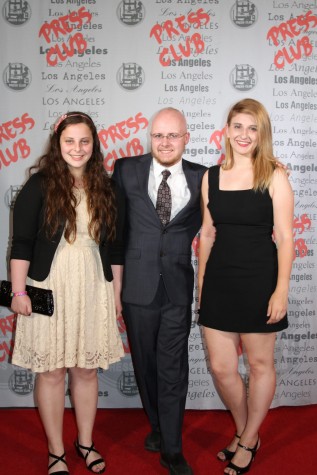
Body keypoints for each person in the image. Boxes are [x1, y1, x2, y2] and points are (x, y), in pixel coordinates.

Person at [10, 112, 125, 475]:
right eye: (70, 141)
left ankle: (85, 442)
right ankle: (56, 450)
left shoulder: (107, 187)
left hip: (94, 285)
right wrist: (17, 291)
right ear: (58, 144)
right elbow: (22, 243)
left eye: (84, 141)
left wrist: (116, 295)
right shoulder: (39, 185)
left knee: (86, 370)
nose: (77, 148)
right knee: (52, 373)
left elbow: (116, 248)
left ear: (94, 144)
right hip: (47, 285)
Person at [198, 98, 294, 475]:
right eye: (238, 126)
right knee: (222, 368)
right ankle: (244, 431)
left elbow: (285, 237)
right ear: (226, 130)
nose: (244, 134)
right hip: (220, 279)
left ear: (261, 134)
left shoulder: (274, 174)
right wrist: (203, 284)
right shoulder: (211, 176)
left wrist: (281, 289)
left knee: (259, 364)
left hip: (260, 280)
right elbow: (206, 234)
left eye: (252, 128)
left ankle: (250, 437)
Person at [112, 107, 206, 475]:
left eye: (173, 135)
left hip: (178, 289)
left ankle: (172, 447)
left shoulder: (204, 177)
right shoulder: (126, 170)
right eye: (158, 135)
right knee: (145, 365)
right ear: (149, 138)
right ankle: (156, 425)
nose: (165, 142)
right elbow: (113, 230)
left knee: (173, 368)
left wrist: (272, 169)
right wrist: (115, 286)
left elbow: (232, 200)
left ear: (186, 138)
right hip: (137, 286)